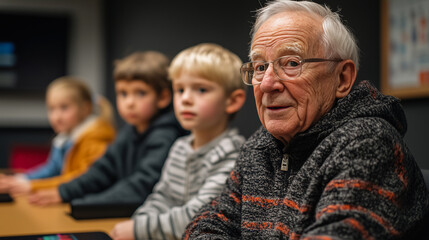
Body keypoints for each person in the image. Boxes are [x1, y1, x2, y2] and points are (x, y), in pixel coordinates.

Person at [184, 1, 429, 239]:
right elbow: (206, 224)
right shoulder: (261, 144)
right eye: (259, 67)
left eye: (291, 63)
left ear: (342, 79)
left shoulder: (368, 142)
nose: (267, 83)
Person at [110, 43, 247, 240]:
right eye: (180, 89)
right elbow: (162, 197)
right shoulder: (180, 147)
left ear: (232, 101)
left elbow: (201, 215)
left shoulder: (233, 153)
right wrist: (138, 222)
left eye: (201, 89)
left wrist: (139, 230)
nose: (185, 99)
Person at [27, 51, 187, 206]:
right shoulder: (130, 131)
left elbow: (141, 188)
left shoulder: (165, 134)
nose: (129, 102)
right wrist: (64, 192)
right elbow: (101, 170)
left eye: (140, 93)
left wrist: (82, 204)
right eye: (123, 93)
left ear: (163, 98)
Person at [0, 77, 116, 196]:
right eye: (52, 109)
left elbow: (81, 180)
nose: (57, 116)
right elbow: (52, 169)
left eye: (64, 108)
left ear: (85, 108)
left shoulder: (95, 140)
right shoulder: (64, 138)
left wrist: (32, 186)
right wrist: (21, 179)